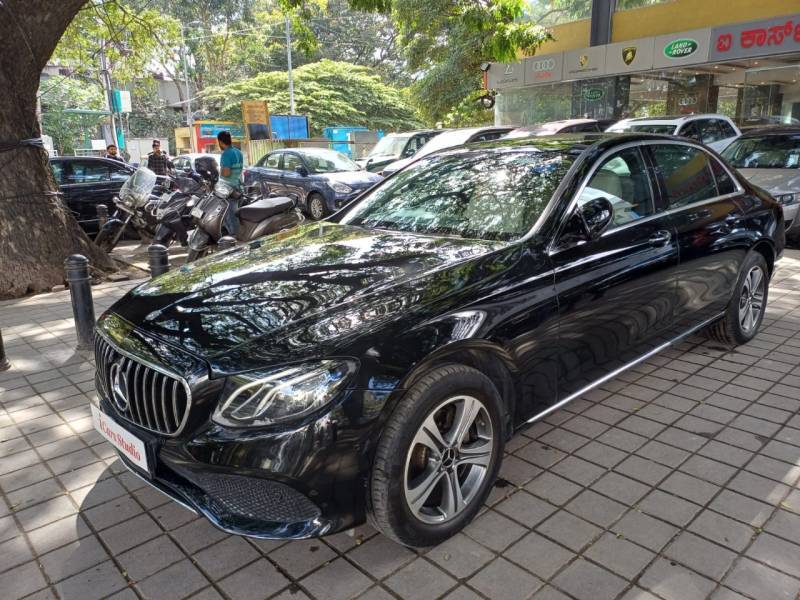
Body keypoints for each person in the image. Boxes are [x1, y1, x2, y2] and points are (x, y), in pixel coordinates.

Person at [217, 131, 244, 236]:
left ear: (220, 142)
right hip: (238, 187)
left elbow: (226, 173)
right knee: (235, 215)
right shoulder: (238, 152)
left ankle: (235, 238)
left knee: (231, 217)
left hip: (228, 189)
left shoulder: (226, 154)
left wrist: (220, 172)